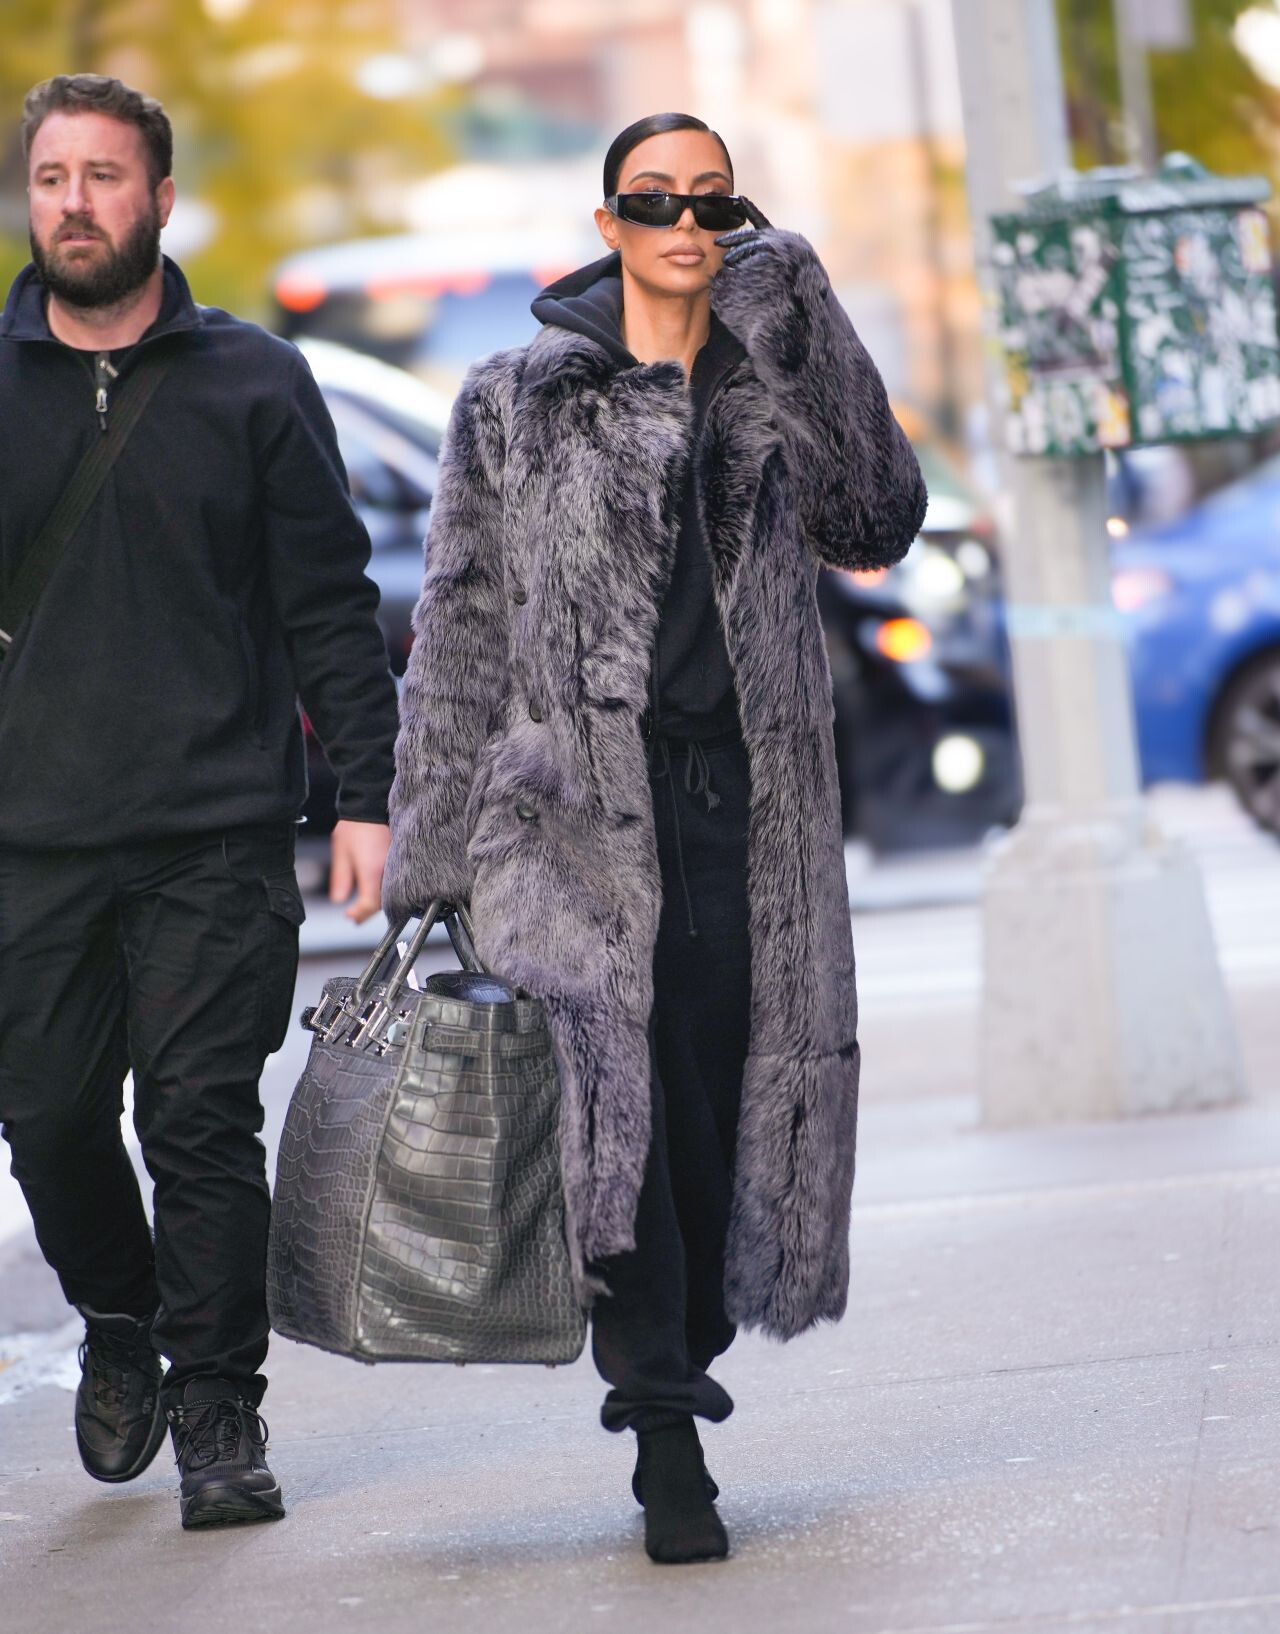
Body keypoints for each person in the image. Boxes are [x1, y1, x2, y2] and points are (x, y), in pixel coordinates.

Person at [384, 111, 927, 1564]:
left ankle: (688, 1347)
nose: (687, 224)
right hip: (570, 821)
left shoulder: (769, 385)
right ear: (608, 222)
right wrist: (430, 852)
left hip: (746, 812)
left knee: (711, 1111)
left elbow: (878, 519)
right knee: (611, 1120)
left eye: (714, 202)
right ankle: (666, 1434)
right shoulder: (516, 401)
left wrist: (807, 320)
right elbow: (460, 624)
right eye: (655, 199)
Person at [0, 75, 399, 1529]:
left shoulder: (254, 382)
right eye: (52, 178)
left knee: (201, 1122)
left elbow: (330, 603)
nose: (75, 204)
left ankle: (220, 1404)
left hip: (215, 831)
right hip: (29, 837)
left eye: (104, 177)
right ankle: (122, 1317)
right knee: (46, 1117)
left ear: (160, 200)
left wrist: (369, 794)